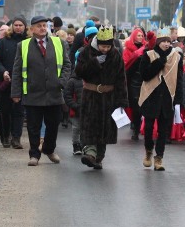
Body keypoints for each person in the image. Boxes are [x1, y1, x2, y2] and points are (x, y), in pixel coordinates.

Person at [11, 15, 71, 167]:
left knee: (53, 125)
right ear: (31, 29)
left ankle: (49, 149)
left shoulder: (59, 43)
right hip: (32, 92)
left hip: (54, 92)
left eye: (45, 25)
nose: (43, 28)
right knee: (33, 126)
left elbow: (67, 65)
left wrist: (62, 82)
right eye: (39, 26)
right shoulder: (23, 46)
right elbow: (17, 70)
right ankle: (34, 155)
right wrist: (16, 93)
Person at [74, 26, 128, 169]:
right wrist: (95, 63)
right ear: (97, 43)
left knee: (104, 129)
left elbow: (121, 79)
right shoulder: (87, 52)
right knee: (90, 126)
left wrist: (122, 100)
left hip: (108, 97)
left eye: (108, 46)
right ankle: (90, 153)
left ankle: (99, 157)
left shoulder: (116, 55)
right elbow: (79, 72)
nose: (105, 49)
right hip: (90, 96)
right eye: (103, 46)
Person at [138, 28, 183, 171]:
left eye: (168, 42)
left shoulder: (177, 57)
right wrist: (159, 62)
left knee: (164, 130)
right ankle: (148, 150)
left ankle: (159, 158)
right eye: (163, 41)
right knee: (149, 127)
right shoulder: (148, 55)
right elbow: (144, 75)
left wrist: (178, 100)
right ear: (158, 42)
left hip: (167, 97)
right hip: (151, 96)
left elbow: (179, 78)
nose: (166, 44)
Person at [0, 16, 29, 149]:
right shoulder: (4, 42)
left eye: (21, 25)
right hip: (6, 82)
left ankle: (16, 138)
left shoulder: (29, 42)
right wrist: (3, 72)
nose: (18, 27)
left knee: (19, 111)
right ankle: (5, 136)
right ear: (12, 26)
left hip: (22, 82)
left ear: (25, 27)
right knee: (5, 110)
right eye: (16, 25)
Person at [123, 27, 147, 141]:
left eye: (142, 36)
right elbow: (125, 64)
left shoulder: (147, 49)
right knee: (135, 108)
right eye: (138, 35)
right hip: (133, 82)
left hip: (144, 81)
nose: (140, 37)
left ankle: (142, 127)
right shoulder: (127, 49)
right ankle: (136, 128)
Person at [63, 70, 83, 155]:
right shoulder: (72, 81)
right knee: (76, 128)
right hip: (76, 110)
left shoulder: (91, 79)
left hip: (88, 109)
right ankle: (76, 145)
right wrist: (75, 106)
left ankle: (85, 145)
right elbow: (67, 96)